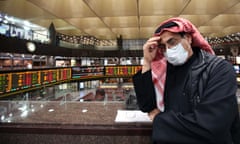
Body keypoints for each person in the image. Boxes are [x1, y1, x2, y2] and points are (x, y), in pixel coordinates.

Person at [132, 17, 240, 144]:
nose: (168, 50)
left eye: (172, 42)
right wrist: (147, 62)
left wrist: (160, 119)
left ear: (188, 38)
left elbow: (211, 125)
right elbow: (147, 106)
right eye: (163, 47)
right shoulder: (167, 68)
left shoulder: (219, 69)